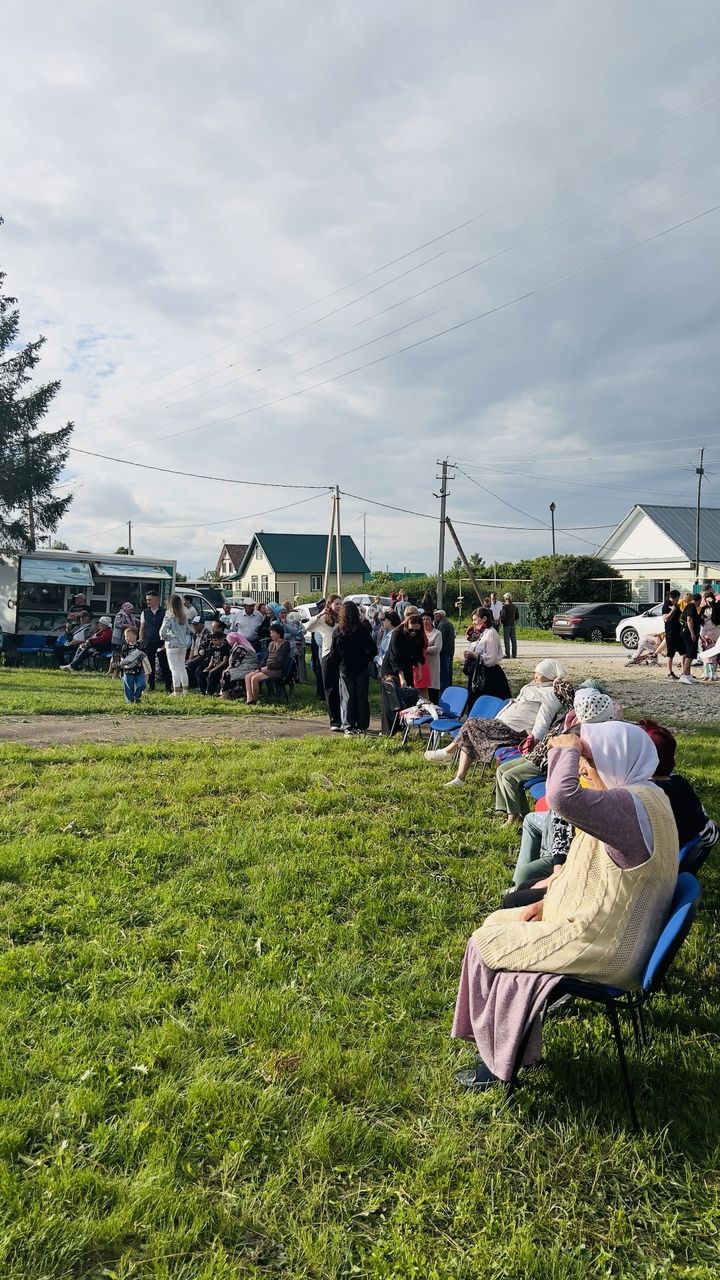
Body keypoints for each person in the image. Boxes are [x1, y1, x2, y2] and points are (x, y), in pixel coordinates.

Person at [451, 722, 678, 1090]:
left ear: (616, 760)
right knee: (500, 921)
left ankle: (496, 1067)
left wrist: (567, 747)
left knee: (487, 944)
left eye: (589, 760)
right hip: (616, 934)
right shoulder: (648, 797)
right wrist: (545, 905)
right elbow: (591, 876)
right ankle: (503, 1047)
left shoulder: (626, 808)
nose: (584, 769)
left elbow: (561, 797)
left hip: (608, 948)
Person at [424, 658, 566, 787]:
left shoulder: (550, 695)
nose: (535, 676)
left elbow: (544, 719)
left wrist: (534, 740)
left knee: (471, 723)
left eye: (539, 673)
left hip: (516, 731)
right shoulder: (533, 686)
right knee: (469, 732)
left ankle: (447, 752)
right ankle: (459, 778)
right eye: (535, 672)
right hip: (503, 724)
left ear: (549, 675)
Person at [638, 719, 718, 862]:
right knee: (710, 830)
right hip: (676, 858)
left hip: (644, 861)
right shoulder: (678, 786)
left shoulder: (629, 788)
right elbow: (704, 830)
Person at [329, 601, 377, 734]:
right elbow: (373, 649)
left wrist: (339, 663)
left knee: (347, 696)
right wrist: (366, 658)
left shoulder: (338, 631)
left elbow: (333, 653)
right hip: (361, 666)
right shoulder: (362, 630)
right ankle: (362, 724)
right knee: (361, 696)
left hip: (345, 667)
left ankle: (348, 725)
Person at [379, 606, 425, 735]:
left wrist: (419, 670)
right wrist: (401, 678)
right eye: (411, 630)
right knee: (391, 699)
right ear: (406, 625)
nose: (413, 633)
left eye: (416, 630)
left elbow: (418, 654)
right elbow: (395, 657)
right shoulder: (397, 633)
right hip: (391, 668)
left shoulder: (419, 634)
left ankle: (403, 728)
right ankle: (389, 730)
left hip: (407, 666)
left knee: (406, 697)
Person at [461, 607, 511, 707]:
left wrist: (474, 655)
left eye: (476, 619)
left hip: (489, 674)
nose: (474, 622)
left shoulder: (491, 633)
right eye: (473, 620)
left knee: (487, 704)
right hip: (477, 671)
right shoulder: (479, 633)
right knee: (475, 702)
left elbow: (491, 658)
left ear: (484, 619)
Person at [306, 596, 342, 730]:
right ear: (330, 605)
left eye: (340, 603)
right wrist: (319, 614)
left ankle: (344, 717)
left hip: (342, 656)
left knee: (342, 688)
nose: (339, 606)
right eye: (336, 603)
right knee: (330, 688)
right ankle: (334, 721)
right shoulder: (324, 619)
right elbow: (309, 627)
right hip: (328, 655)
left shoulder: (343, 618)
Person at [245, 622, 292, 704]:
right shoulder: (271, 644)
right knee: (248, 676)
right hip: (267, 668)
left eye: (272, 633)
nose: (271, 635)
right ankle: (249, 699)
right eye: (270, 633)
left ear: (279, 633)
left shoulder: (285, 644)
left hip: (277, 670)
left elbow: (280, 661)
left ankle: (254, 701)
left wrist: (268, 667)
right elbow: (265, 658)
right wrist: (259, 668)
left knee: (255, 678)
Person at [159, 593, 191, 695]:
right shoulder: (183, 615)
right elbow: (188, 630)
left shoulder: (169, 615)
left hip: (172, 644)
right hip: (183, 644)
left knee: (174, 669)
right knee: (182, 667)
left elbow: (162, 631)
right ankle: (185, 691)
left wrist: (165, 637)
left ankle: (177, 691)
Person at [139, 590, 171, 692]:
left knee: (164, 665)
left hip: (161, 642)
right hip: (148, 642)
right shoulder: (145, 612)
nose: (148, 602)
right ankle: (151, 686)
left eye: (150, 600)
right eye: (147, 600)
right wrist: (141, 640)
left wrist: (166, 643)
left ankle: (168, 686)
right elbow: (142, 627)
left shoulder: (165, 612)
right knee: (149, 666)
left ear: (156, 599)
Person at [220, 631, 260, 698]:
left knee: (227, 673)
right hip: (244, 666)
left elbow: (235, 663)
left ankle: (226, 694)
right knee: (226, 672)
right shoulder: (239, 646)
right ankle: (231, 692)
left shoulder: (241, 648)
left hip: (249, 667)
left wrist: (229, 668)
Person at [118, 625, 152, 704]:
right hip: (128, 670)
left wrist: (148, 668)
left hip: (139, 669)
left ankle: (137, 696)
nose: (126, 638)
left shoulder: (140, 646)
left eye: (128, 636)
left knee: (142, 684)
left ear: (135, 636)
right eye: (125, 636)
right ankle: (130, 701)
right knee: (128, 687)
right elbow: (122, 657)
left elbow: (144, 656)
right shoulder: (125, 647)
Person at [197, 627, 231, 695]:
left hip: (221, 667)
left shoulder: (225, 648)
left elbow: (224, 662)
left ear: (221, 639)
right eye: (213, 640)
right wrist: (208, 668)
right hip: (213, 666)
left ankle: (210, 691)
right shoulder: (213, 648)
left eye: (215, 640)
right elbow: (212, 660)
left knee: (212, 673)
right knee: (201, 673)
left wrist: (214, 669)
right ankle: (202, 690)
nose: (213, 642)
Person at [418, 612, 442, 702]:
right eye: (423, 619)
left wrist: (423, 650)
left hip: (432, 664)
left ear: (432, 620)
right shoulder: (419, 632)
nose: (425, 621)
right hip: (421, 665)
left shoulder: (437, 633)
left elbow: (437, 648)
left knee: (432, 688)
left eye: (428, 619)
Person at [679, 593, 701, 684]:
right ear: (698, 600)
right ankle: (684, 675)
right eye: (700, 602)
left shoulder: (689, 606)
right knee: (690, 653)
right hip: (688, 633)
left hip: (688, 633)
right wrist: (692, 633)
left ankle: (688, 674)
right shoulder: (691, 607)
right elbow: (689, 619)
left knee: (691, 654)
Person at [662, 590, 683, 680]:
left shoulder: (675, 605)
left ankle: (684, 672)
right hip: (671, 633)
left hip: (678, 632)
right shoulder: (666, 605)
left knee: (684, 652)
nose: (678, 600)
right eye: (677, 598)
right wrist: (673, 610)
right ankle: (670, 672)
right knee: (670, 653)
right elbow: (665, 619)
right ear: (676, 597)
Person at [433, 610, 456, 693]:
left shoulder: (442, 625)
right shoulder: (449, 623)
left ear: (439, 616)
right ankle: (449, 691)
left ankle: (444, 692)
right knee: (448, 674)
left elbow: (440, 640)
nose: (434, 618)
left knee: (443, 675)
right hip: (450, 651)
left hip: (444, 653)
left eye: (435, 616)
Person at [186, 617, 212, 688]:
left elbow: (204, 654)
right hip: (196, 656)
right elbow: (192, 648)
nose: (194, 626)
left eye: (196, 624)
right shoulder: (195, 634)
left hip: (204, 657)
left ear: (201, 624)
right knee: (187, 665)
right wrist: (189, 660)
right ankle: (192, 685)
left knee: (197, 669)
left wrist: (191, 662)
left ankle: (200, 687)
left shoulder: (207, 635)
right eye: (193, 624)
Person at [699, 590, 719, 681]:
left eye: (708, 600)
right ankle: (706, 672)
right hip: (705, 631)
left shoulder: (717, 606)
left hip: (715, 631)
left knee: (713, 653)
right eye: (706, 600)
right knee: (705, 651)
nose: (707, 602)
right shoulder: (703, 609)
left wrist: (713, 603)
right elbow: (700, 619)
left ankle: (713, 673)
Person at [499, 592, 519, 659]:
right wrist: (512, 620)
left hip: (506, 625)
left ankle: (507, 654)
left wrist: (502, 621)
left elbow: (503, 616)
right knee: (513, 639)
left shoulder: (504, 606)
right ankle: (514, 654)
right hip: (512, 624)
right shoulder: (514, 606)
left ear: (506, 598)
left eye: (504, 598)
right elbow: (517, 616)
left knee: (506, 640)